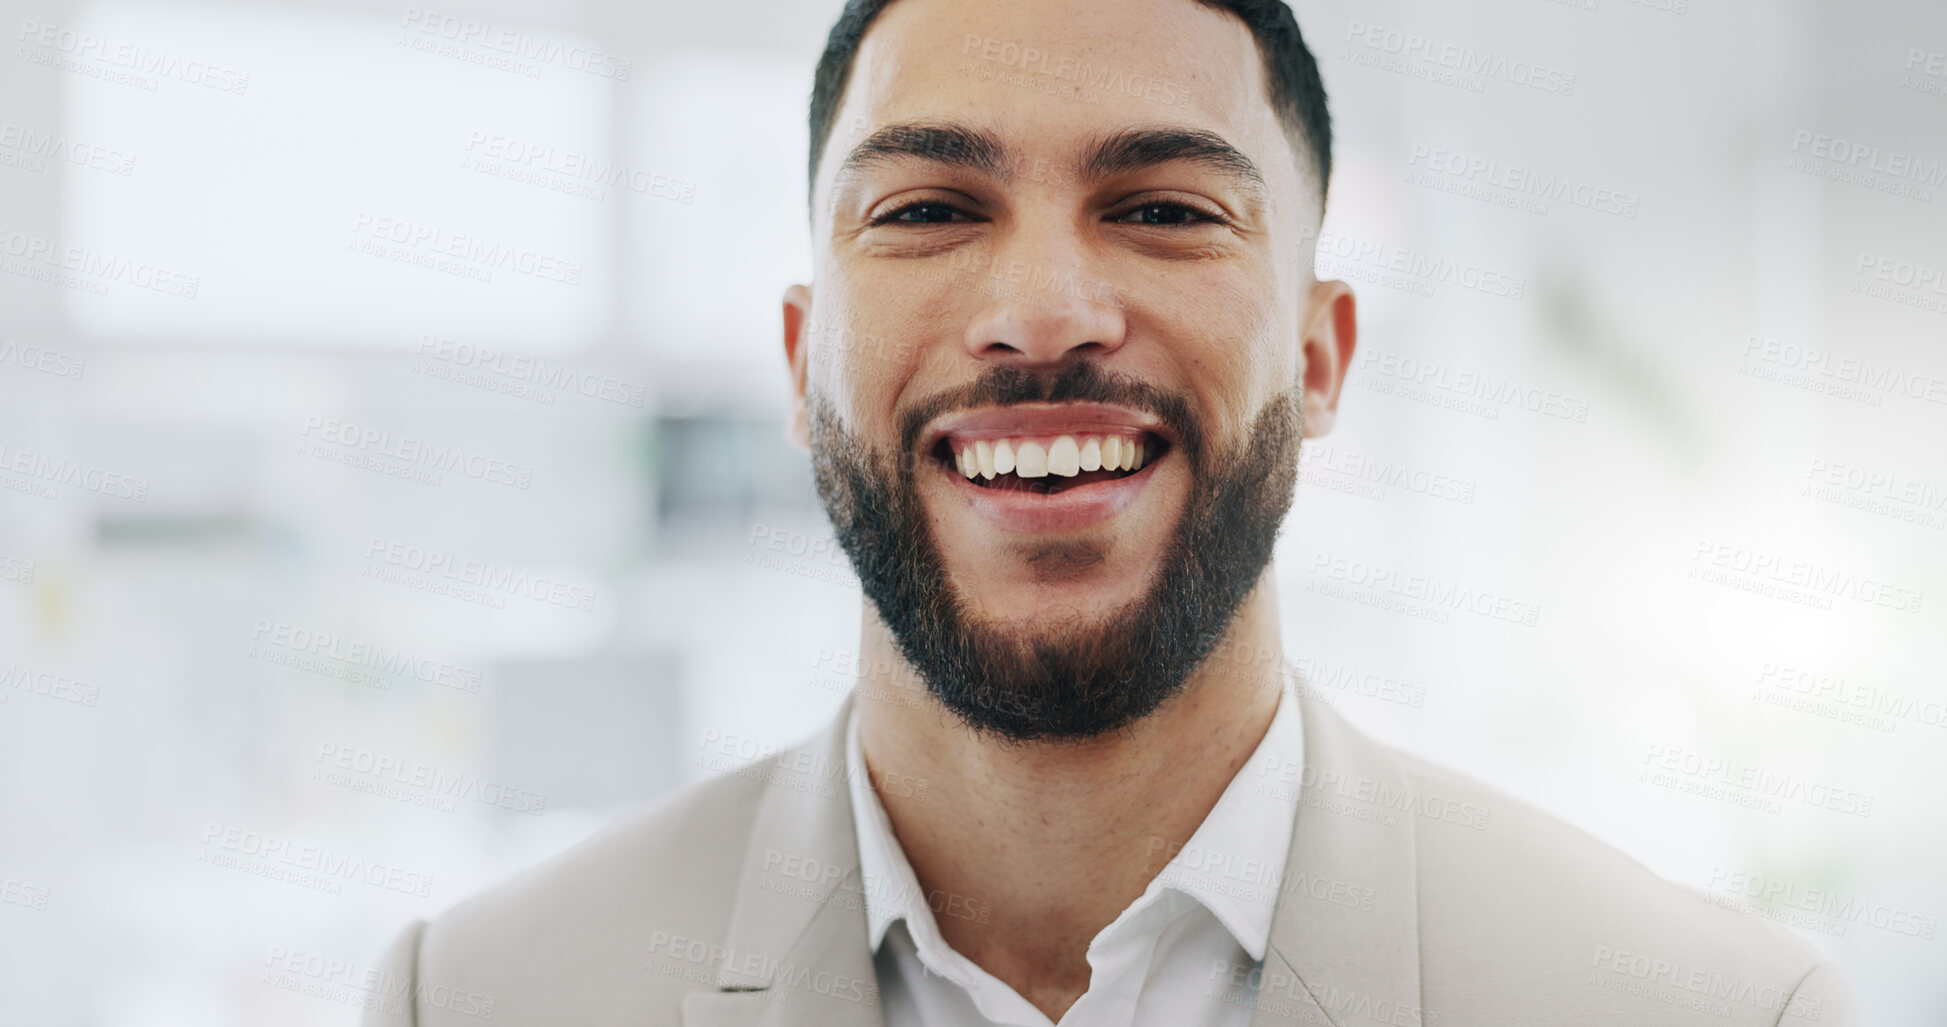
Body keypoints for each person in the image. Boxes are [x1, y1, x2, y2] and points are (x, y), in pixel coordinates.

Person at [365, 0, 1856, 1023]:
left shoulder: (1710, 1012)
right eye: (931, 211)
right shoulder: (484, 998)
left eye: (1161, 209)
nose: (1042, 314)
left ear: (1322, 356)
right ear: (799, 359)